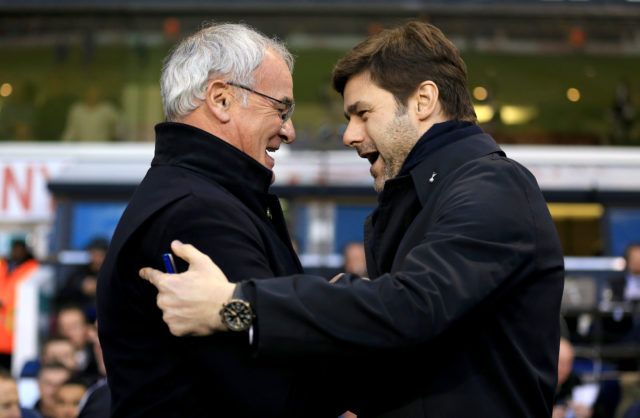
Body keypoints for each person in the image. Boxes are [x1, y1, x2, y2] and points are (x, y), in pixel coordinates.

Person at [141, 21, 565, 416]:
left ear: (424, 101)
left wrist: (234, 304)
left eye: (363, 114)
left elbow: (413, 307)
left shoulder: (493, 185)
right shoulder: (419, 201)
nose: (350, 135)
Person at [97, 23, 343, 417]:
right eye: (281, 109)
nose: (290, 130)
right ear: (221, 99)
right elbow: (275, 392)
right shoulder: (197, 211)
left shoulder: (195, 197)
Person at [0, 240, 39, 370]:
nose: (17, 252)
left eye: (20, 249)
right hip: (3, 321)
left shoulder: (33, 267)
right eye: (15, 249)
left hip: (15, 322)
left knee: (11, 363)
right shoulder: (3, 265)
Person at [56, 238, 108, 315]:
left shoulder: (110, 273)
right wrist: (80, 285)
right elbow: (62, 294)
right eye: (94, 255)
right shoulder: (80, 271)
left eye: (100, 256)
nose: (97, 259)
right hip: (81, 314)